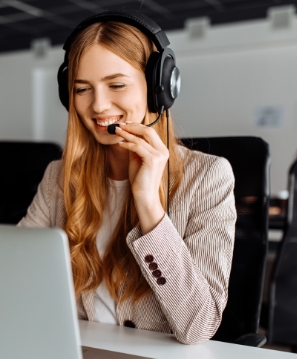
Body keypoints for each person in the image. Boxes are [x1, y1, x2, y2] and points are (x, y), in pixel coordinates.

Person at [18, 11, 236, 345]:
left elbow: (199, 325)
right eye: (82, 89)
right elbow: (14, 274)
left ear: (158, 88)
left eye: (116, 85)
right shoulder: (59, 176)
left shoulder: (207, 177)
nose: (98, 105)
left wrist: (148, 203)